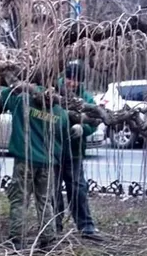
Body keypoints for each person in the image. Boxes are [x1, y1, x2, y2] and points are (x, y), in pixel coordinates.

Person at [1, 82, 69, 251]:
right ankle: (48, 239)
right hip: (47, 163)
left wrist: (23, 85)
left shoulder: (22, 101)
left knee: (20, 200)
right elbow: (64, 137)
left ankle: (17, 239)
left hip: (25, 160)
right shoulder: (61, 113)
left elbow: (5, 94)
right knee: (45, 201)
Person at [53, 60, 103, 241]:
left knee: (78, 189)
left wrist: (84, 129)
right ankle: (54, 226)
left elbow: (94, 120)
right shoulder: (51, 91)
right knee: (53, 190)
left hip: (74, 152)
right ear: (63, 77)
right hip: (53, 151)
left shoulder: (86, 98)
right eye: (69, 78)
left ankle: (86, 227)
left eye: (76, 80)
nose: (71, 83)